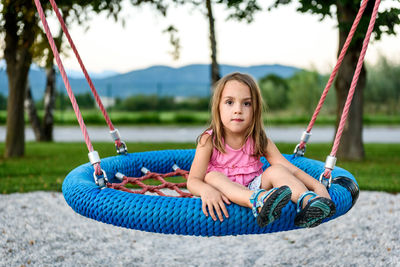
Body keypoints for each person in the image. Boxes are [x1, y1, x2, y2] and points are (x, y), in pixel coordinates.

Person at [187, 72, 335, 228]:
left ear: (255, 109)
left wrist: (317, 186)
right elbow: (193, 180)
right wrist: (205, 190)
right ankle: (260, 200)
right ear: (218, 107)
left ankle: (309, 202)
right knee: (212, 177)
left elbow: (289, 168)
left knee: (277, 169)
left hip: (255, 187)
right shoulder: (209, 140)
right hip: (224, 192)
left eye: (247, 104)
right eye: (230, 102)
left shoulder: (259, 139)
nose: (238, 110)